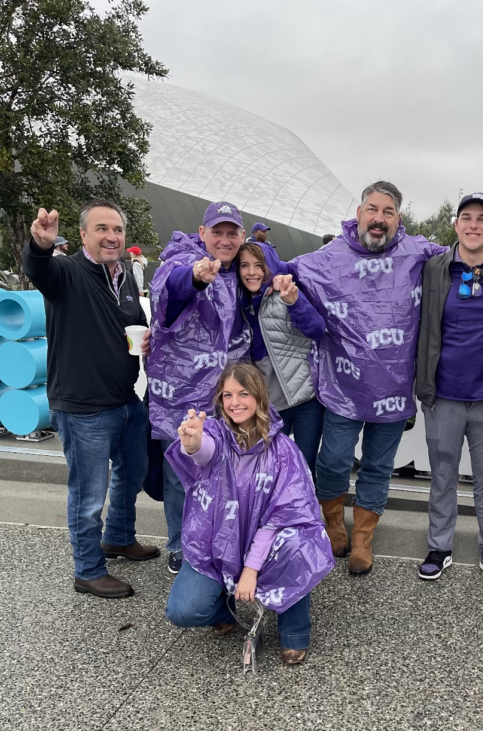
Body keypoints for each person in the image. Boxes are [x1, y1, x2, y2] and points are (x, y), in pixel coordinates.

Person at [271, 181, 447, 575]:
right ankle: (333, 522)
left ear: (398, 219)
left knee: (378, 467)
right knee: (332, 462)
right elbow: (274, 267)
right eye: (373, 209)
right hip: (343, 388)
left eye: (388, 212)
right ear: (359, 213)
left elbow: (466, 259)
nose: (379, 218)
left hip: (394, 388)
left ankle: (364, 536)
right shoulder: (327, 257)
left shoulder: (418, 251)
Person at [23, 202, 159, 599]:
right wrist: (40, 245)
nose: (111, 236)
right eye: (101, 228)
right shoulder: (66, 271)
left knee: (133, 472)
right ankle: (87, 569)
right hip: (83, 408)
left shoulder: (126, 278)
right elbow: (39, 269)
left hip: (124, 400)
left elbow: (132, 323)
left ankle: (117, 537)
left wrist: (146, 337)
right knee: (87, 496)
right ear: (83, 235)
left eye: (117, 229)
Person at [164, 363, 334, 665]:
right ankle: (223, 609)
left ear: (259, 396)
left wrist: (250, 569)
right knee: (182, 610)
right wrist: (192, 445)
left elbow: (283, 517)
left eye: (243, 393)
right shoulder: (214, 432)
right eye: (227, 395)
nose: (235, 402)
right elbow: (207, 452)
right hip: (217, 543)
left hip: (269, 546)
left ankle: (294, 633)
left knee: (296, 548)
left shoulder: (283, 451)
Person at [415, 192, 483, 587]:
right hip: (443, 396)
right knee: (443, 476)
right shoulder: (434, 268)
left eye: (482, 219)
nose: (473, 225)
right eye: (466, 218)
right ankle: (439, 547)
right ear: (456, 225)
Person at [147, 201, 251, 575]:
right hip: (179, 395)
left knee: (221, 474)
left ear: (242, 237)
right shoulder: (182, 262)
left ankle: (214, 540)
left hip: (224, 395)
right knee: (179, 476)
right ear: (202, 232)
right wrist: (195, 276)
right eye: (217, 232)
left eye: (232, 233)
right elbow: (173, 287)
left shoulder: (242, 269)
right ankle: (179, 544)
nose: (224, 240)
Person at [235, 241, 326, 480]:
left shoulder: (284, 292)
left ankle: (303, 517)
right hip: (269, 403)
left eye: (259, 265)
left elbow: (316, 328)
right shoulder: (240, 303)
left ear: (271, 266)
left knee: (304, 467)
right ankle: (271, 517)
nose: (252, 272)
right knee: (268, 469)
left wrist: (294, 302)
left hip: (305, 399)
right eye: (245, 265)